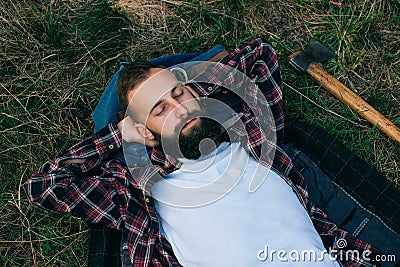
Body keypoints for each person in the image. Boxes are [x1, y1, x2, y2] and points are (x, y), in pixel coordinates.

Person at [25, 38, 381, 266]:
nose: (179, 110)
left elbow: (261, 57)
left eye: (178, 94)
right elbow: (46, 184)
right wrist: (119, 136)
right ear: (144, 128)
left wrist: (191, 79)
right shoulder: (136, 188)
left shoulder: (253, 130)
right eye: (159, 109)